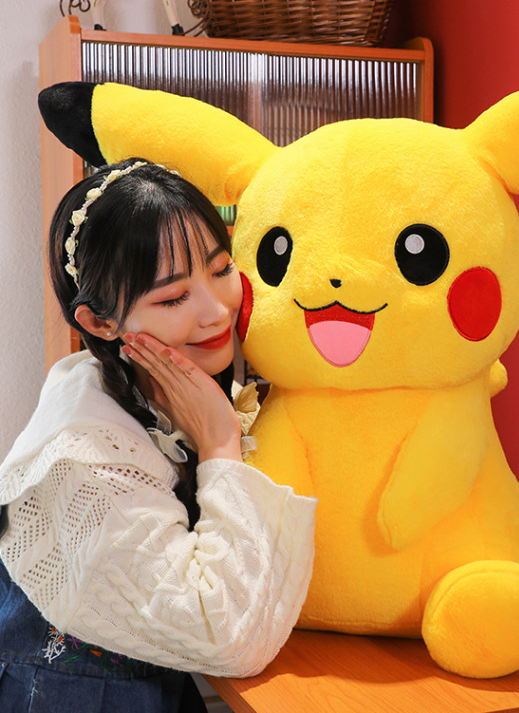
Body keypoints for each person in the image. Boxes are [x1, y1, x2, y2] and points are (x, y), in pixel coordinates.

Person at [0, 159, 316, 713]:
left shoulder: (164, 385)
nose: (216, 312)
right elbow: (228, 639)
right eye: (173, 298)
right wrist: (220, 445)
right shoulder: (88, 458)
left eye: (221, 269)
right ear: (100, 323)